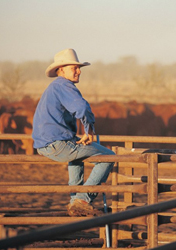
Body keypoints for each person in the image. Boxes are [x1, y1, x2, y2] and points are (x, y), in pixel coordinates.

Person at [32, 48, 115, 216]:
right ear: (61, 70)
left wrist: (83, 133)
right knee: (109, 157)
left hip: (49, 142)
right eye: (74, 68)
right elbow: (81, 107)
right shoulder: (63, 85)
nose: (78, 72)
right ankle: (82, 200)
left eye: (79, 68)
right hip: (56, 142)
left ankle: (75, 203)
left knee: (76, 155)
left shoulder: (55, 87)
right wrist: (89, 129)